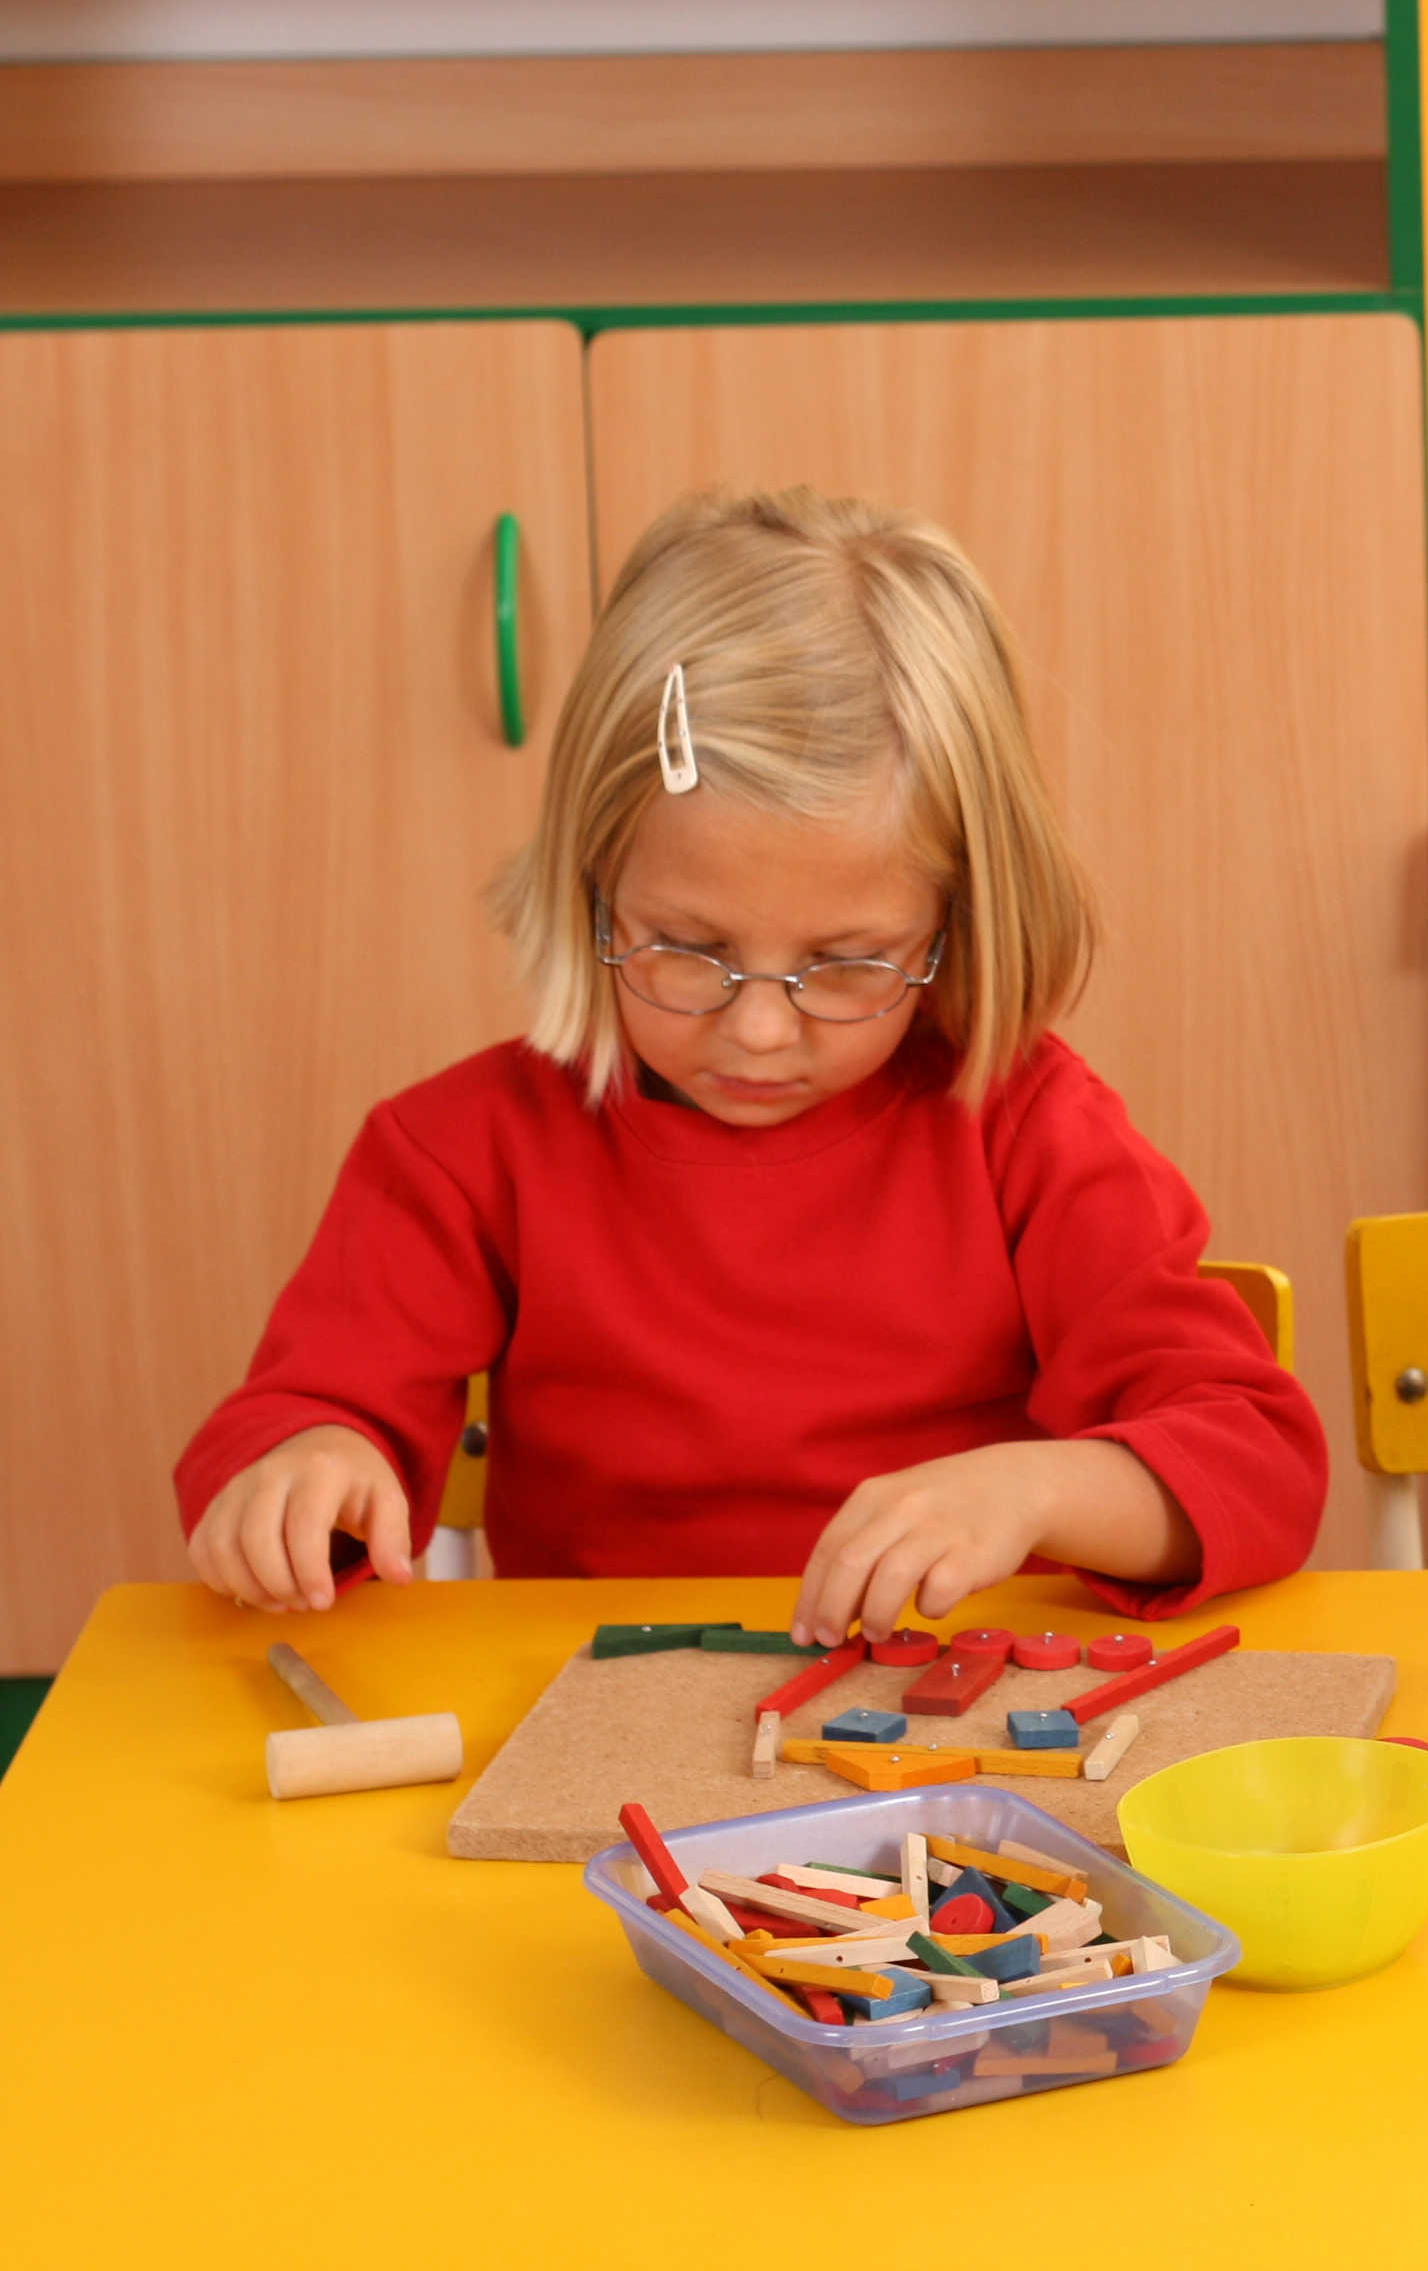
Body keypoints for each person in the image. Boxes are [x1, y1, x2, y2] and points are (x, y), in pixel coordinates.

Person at [175, 488, 1328, 1640]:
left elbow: (1256, 1462)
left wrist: (1034, 1491)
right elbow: (296, 1415)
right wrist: (305, 1468)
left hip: (948, 1713)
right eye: (687, 949)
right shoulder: (460, 1151)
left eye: (848, 963)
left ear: (956, 924)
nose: (762, 1030)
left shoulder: (1024, 1127)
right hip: (603, 1718)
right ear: (591, 892)